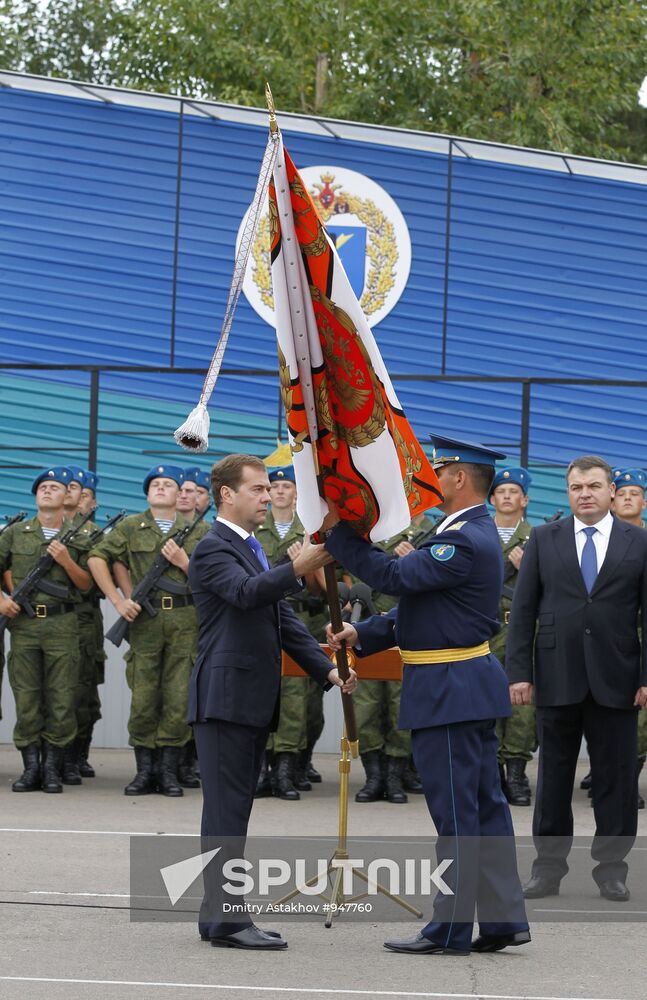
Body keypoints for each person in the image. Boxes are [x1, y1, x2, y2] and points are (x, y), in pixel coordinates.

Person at [325, 435, 529, 955]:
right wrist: (366, 635)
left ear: (460, 478)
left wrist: (341, 534)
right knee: (484, 809)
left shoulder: (459, 540)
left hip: (449, 689)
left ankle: (450, 927)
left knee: (456, 813)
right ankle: (502, 919)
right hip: (462, 686)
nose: (429, 475)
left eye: (438, 469)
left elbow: (393, 576)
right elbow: (431, 609)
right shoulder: (463, 531)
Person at [187, 453, 356, 950]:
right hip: (225, 698)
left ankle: (220, 916)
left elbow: (280, 621)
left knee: (233, 810)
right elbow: (245, 594)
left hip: (247, 699)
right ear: (227, 495)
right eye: (258, 489)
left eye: (267, 490)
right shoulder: (213, 548)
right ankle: (226, 920)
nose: (267, 496)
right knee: (226, 812)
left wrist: (327, 669)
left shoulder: (251, 546)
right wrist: (296, 566)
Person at [506, 455, 647, 903]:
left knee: (616, 780)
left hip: (618, 677)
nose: (584, 493)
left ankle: (611, 870)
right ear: (568, 493)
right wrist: (519, 673)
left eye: (593, 486)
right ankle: (547, 871)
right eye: (576, 487)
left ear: (610, 491)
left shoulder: (638, 542)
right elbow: (523, 611)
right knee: (552, 781)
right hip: (556, 675)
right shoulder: (545, 539)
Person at [88, 464, 199, 797]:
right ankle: (144, 771)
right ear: (147, 493)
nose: (161, 488)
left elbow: (214, 577)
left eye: (168, 484)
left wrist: (183, 562)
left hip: (185, 623)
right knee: (144, 697)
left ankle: (168, 772)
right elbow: (97, 557)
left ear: (181, 494)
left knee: (178, 698)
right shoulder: (131, 527)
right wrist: (118, 600)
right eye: (156, 484)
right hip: (146, 623)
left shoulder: (200, 529)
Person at [0, 467, 92, 793]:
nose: (48, 491)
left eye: (55, 487)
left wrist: (67, 561)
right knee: (26, 697)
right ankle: (30, 769)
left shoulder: (78, 535)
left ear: (66, 496)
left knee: (61, 698)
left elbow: (85, 585)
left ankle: (52, 768)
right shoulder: (15, 533)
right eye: (43, 487)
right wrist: (2, 599)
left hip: (62, 625)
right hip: (24, 625)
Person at [256, 466, 329, 800]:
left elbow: (323, 591)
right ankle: (263, 769)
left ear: (298, 493)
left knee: (299, 700)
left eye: (287, 485)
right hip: (264, 620)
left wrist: (306, 564)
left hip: (302, 619)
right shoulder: (255, 530)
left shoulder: (311, 532)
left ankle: (287, 769)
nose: (281, 491)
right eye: (276, 486)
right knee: (267, 693)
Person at [489, 467, 535, 806]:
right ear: (491, 499)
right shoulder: (477, 534)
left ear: (525, 499)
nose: (507, 497)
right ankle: (490, 775)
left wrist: (529, 566)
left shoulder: (540, 537)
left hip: (522, 630)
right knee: (485, 702)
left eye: (513, 491)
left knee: (521, 705)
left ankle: (516, 774)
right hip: (484, 630)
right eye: (501, 491)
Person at [610, 468, 647, 809]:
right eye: (621, 493)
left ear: (644, 501)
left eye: (634, 493)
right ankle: (615, 778)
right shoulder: (602, 540)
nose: (627, 498)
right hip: (616, 634)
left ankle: (627, 780)